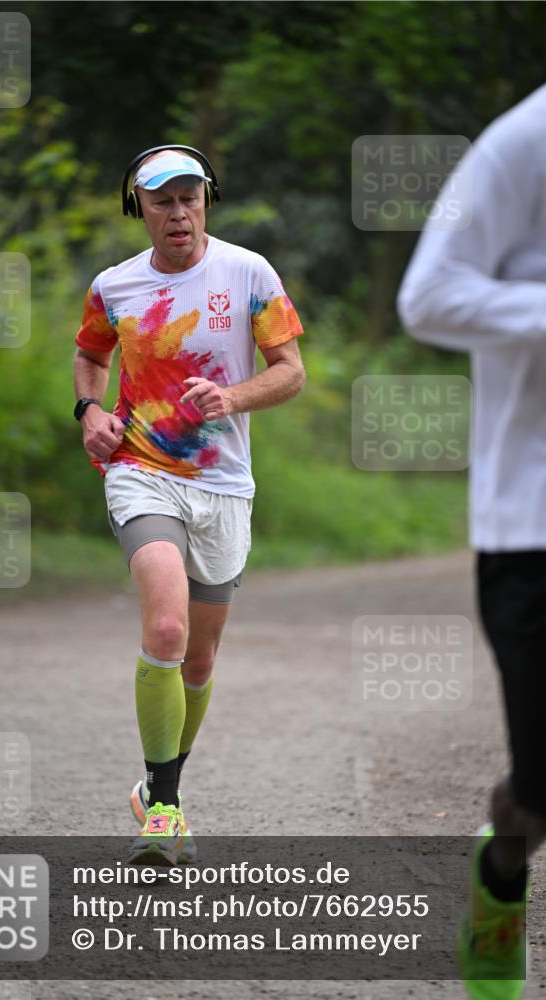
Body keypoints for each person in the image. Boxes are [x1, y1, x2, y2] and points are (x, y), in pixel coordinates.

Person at [73, 146, 305, 865]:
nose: (178, 213)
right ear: (137, 208)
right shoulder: (114, 286)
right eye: (162, 201)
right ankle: (166, 811)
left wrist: (231, 397)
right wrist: (89, 411)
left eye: (189, 198)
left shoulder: (249, 273)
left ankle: (155, 788)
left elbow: (291, 373)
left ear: (207, 200)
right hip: (141, 470)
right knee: (167, 628)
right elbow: (91, 355)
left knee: (199, 661)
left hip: (224, 485)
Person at [398, 86, 546, 999]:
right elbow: (427, 295)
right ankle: (503, 866)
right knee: (540, 789)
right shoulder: (521, 142)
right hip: (532, 520)